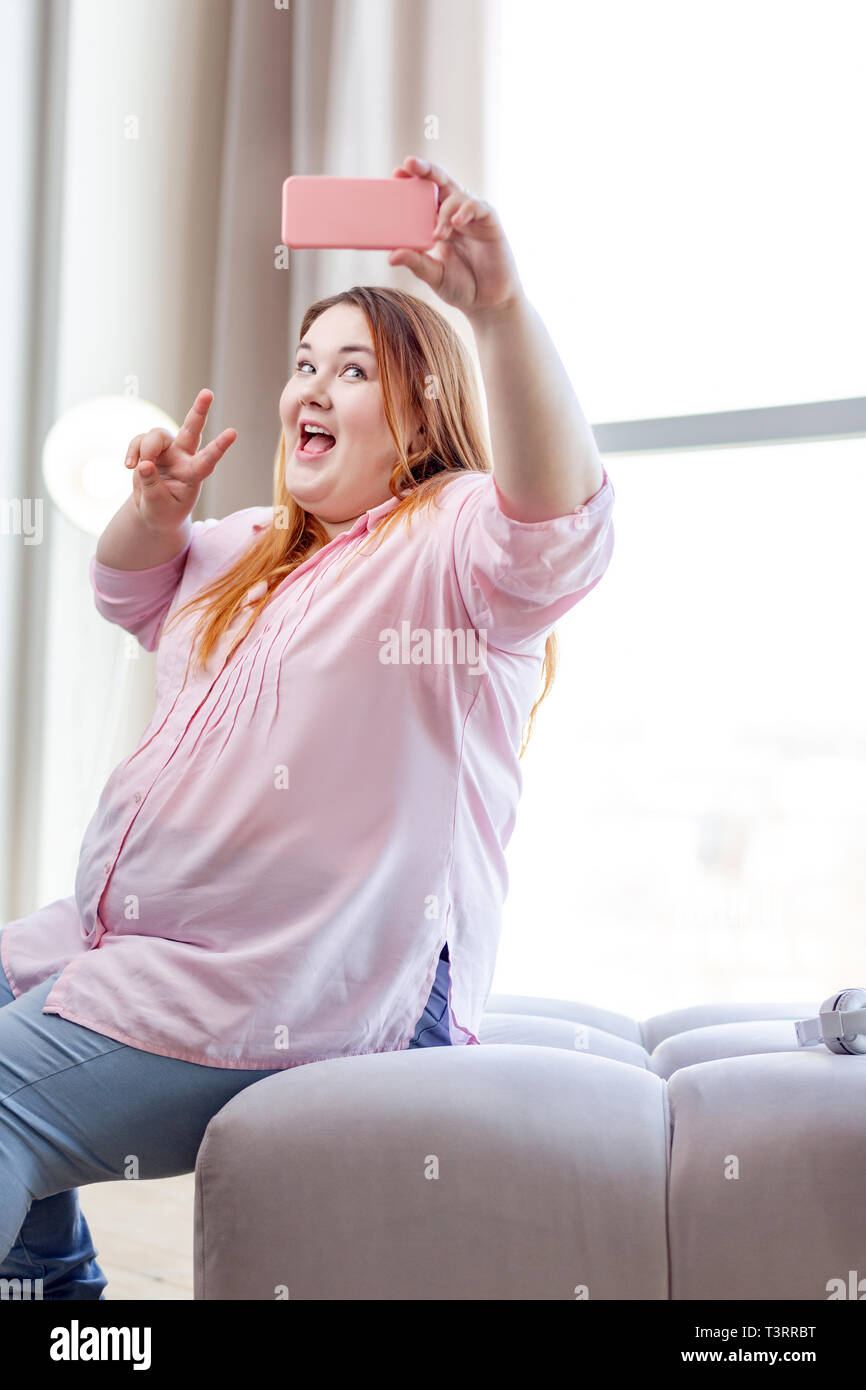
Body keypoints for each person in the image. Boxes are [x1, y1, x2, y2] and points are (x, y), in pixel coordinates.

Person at [0, 155, 615, 1300]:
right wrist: (154, 510)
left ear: (423, 406)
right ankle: (58, 1308)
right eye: (302, 365)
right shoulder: (250, 549)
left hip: (308, 979)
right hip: (138, 949)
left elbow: (556, 519)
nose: (309, 391)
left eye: (351, 369)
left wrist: (501, 315)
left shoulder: (453, 540)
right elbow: (127, 593)